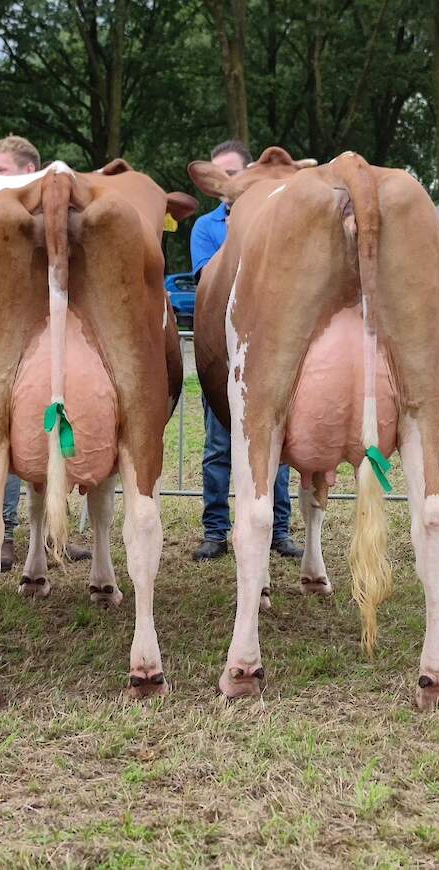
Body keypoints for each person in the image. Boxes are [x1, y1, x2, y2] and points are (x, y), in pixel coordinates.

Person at [0, 135, 93, 573]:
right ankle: (10, 533)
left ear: (31, 173)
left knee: (39, 430)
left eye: (2, 171)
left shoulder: (52, 212)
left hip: (49, 333)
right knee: (11, 438)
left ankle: (49, 532)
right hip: (6, 339)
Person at [190, 139, 303, 562]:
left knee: (277, 443)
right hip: (222, 348)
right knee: (220, 442)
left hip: (272, 344)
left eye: (235, 173)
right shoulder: (207, 227)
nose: (227, 182)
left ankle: (279, 528)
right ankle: (215, 529)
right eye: (221, 175)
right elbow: (209, 277)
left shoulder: (282, 217)